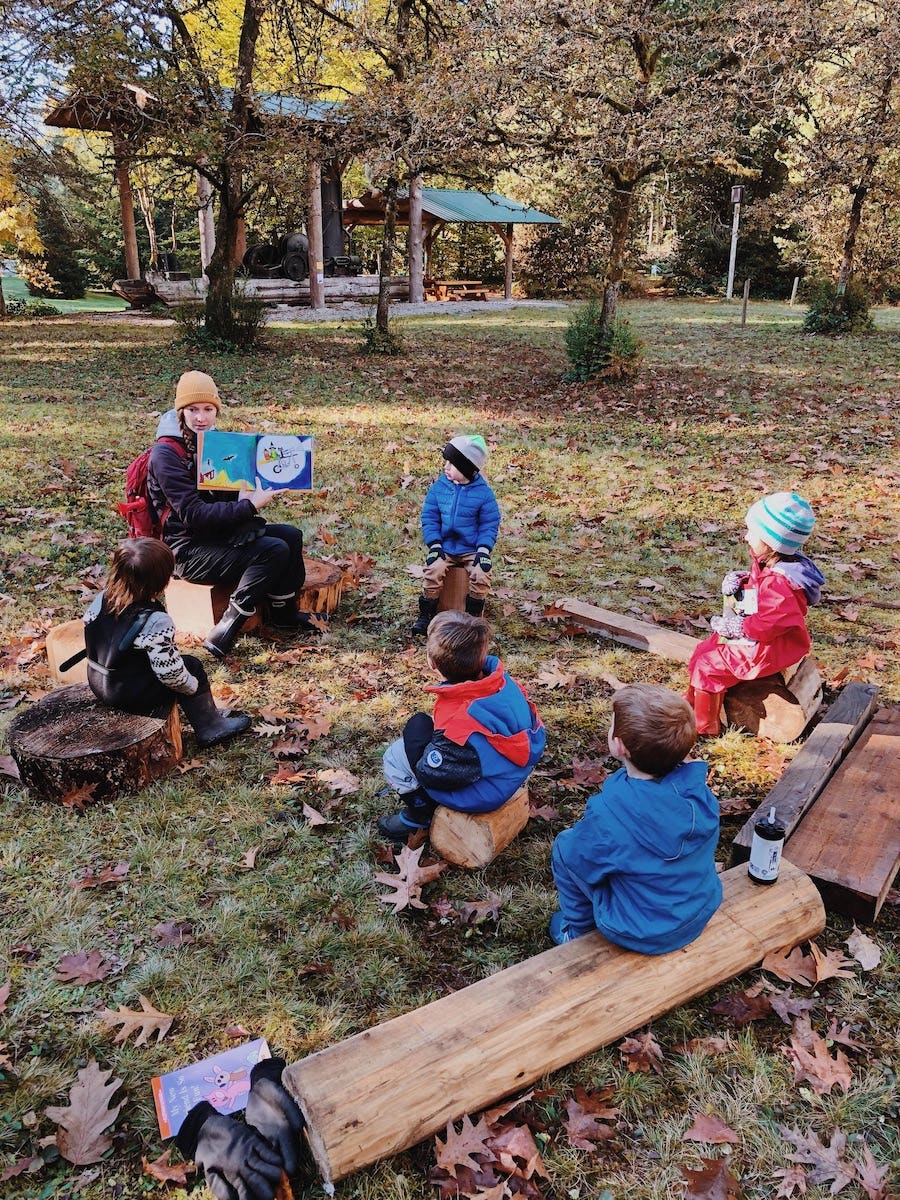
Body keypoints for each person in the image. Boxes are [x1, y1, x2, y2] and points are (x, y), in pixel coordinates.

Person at [147, 370, 312, 659]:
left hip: (217, 535)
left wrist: (243, 492)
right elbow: (193, 515)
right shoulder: (166, 455)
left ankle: (284, 614)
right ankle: (227, 626)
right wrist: (250, 506)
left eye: (208, 410)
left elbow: (223, 497)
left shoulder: (216, 444)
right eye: (193, 410)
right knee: (271, 550)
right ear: (181, 411)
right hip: (187, 550)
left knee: (290, 536)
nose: (201, 418)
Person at [549, 684, 722, 953]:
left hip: (640, 931)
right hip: (699, 910)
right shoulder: (700, 795)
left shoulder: (610, 817)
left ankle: (578, 933)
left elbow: (577, 858)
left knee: (564, 847)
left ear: (618, 746)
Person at [377, 610, 546, 841]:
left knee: (397, 753)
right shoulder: (503, 682)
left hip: (484, 793)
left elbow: (436, 775)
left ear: (432, 662)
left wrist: (425, 758)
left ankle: (418, 815)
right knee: (426, 730)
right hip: (512, 771)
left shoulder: (459, 724)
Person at [83, 538, 250, 747]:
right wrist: (192, 686)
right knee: (191, 666)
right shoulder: (155, 621)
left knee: (159, 663)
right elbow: (171, 675)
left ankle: (207, 712)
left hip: (99, 681)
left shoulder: (103, 599)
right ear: (161, 581)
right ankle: (210, 726)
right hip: (127, 693)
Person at [686, 491, 825, 736]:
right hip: (761, 638)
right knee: (703, 651)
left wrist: (741, 627)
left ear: (773, 543)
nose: (747, 537)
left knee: (709, 666)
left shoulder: (780, 583)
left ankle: (704, 727)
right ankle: (691, 703)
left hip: (770, 647)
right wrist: (744, 580)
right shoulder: (775, 563)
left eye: (753, 533)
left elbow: (772, 621)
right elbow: (761, 587)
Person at [412, 434, 501, 635]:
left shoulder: (484, 494)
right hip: (445, 547)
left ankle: (473, 617)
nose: (446, 467)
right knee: (433, 570)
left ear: (467, 468)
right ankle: (427, 614)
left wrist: (484, 550)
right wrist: (434, 544)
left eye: (452, 464)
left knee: (480, 574)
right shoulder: (440, 488)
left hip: (471, 549)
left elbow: (489, 524)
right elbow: (430, 517)